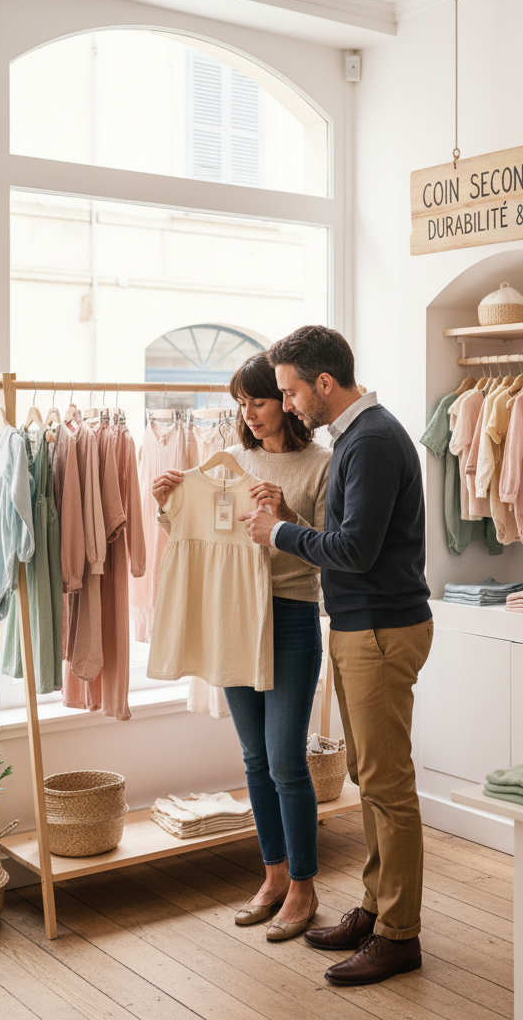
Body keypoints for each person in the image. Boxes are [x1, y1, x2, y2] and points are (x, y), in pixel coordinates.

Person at [243, 324, 433, 987]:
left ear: (324, 384)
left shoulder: (373, 440)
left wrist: (279, 531)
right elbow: (352, 535)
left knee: (387, 784)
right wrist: (290, 511)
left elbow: (354, 551)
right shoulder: (359, 438)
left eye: (292, 391)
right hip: (363, 625)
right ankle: (378, 910)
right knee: (368, 774)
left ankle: (398, 935)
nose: (287, 403)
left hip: (380, 628)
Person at [151, 353, 331, 942]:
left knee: (285, 759)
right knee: (253, 759)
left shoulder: (320, 464)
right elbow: (194, 532)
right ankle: (273, 876)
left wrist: (285, 514)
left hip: (291, 615)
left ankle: (304, 885)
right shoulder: (227, 464)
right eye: (243, 404)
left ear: (286, 402)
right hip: (232, 616)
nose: (249, 414)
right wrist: (164, 501)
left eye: (259, 401)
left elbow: (330, 547)